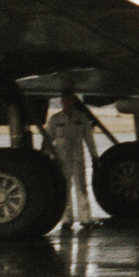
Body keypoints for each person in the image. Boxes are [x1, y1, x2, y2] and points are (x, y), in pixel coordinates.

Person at [44, 91, 95, 231]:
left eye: (71, 100)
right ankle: (66, 220)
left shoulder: (82, 118)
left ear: (74, 101)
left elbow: (89, 138)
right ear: (62, 102)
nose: (68, 103)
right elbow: (48, 140)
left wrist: (94, 156)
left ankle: (85, 218)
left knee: (81, 186)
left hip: (77, 153)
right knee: (65, 187)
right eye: (66, 100)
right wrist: (46, 157)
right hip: (62, 156)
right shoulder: (55, 119)